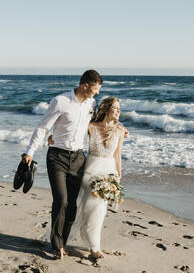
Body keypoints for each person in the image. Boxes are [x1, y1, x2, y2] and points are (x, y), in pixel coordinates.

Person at [21, 70, 102, 259]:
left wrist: (117, 130)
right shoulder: (61, 101)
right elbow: (43, 127)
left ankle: (63, 241)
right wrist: (29, 152)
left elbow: (96, 125)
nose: (96, 93)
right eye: (95, 89)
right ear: (85, 85)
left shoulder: (91, 104)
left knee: (72, 205)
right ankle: (56, 245)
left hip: (78, 158)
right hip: (57, 156)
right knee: (61, 200)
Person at [73, 96, 126, 259]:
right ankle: (94, 246)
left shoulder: (120, 130)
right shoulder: (91, 126)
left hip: (108, 172)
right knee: (92, 206)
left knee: (99, 209)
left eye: (119, 108)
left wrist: (118, 176)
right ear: (106, 109)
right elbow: (75, 134)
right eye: (115, 108)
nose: (118, 111)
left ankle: (94, 245)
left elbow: (118, 155)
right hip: (90, 170)